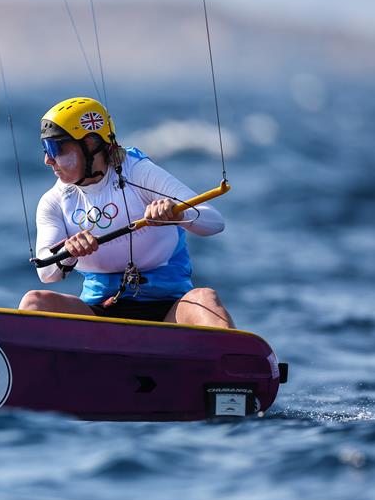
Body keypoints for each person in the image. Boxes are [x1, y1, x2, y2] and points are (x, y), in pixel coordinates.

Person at [18, 97, 235, 328]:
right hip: (101, 314)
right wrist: (69, 252)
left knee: (205, 298)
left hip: (170, 311)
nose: (47, 160)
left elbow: (214, 221)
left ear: (90, 144)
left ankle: (242, 360)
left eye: (56, 148)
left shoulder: (139, 172)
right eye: (45, 148)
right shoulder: (54, 201)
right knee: (34, 302)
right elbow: (46, 272)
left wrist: (178, 215)